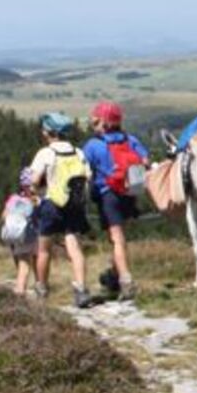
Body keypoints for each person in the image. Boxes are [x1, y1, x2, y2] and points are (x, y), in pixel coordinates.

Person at [25, 113, 96, 307]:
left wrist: (34, 193)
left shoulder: (45, 153)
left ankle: (41, 289)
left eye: (44, 129)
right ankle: (81, 289)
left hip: (51, 204)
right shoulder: (78, 152)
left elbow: (33, 181)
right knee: (74, 248)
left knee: (44, 250)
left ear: (50, 132)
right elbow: (88, 176)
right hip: (74, 205)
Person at [80, 101, 145, 304]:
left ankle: (126, 280)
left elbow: (83, 169)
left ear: (105, 123)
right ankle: (114, 277)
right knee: (120, 239)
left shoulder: (93, 145)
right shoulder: (131, 140)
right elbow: (145, 161)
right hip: (129, 192)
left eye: (95, 121)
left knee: (116, 239)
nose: (93, 125)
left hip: (108, 195)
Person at [4, 166, 47, 300]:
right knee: (28, 263)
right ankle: (21, 290)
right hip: (30, 235)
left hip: (13, 235)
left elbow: (4, 216)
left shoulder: (14, 198)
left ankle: (31, 286)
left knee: (22, 261)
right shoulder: (37, 200)